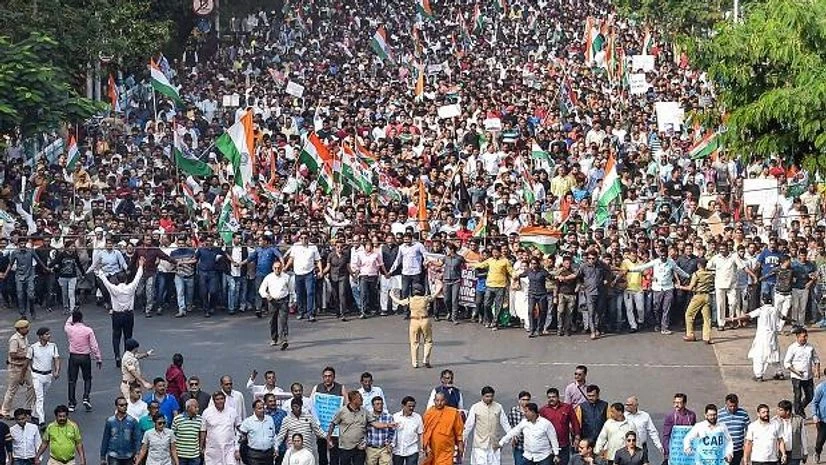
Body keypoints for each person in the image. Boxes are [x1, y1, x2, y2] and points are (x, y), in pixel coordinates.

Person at [97, 256, 145, 365]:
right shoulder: (130, 287)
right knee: (128, 336)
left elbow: (104, 281)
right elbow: (138, 277)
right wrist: (141, 266)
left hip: (117, 315)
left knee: (116, 335)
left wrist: (100, 269)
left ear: (117, 280)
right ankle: (126, 355)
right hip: (128, 314)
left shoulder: (114, 288)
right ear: (126, 279)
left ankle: (117, 356)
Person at [728, 294, 785, 382]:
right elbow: (783, 317)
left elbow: (747, 316)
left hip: (762, 336)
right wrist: (792, 320)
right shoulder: (775, 309)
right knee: (774, 354)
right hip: (773, 336)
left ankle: (759, 375)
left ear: (763, 301)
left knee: (759, 355)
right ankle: (779, 373)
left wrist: (734, 319)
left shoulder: (761, 310)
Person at [390, 283, 439, 368]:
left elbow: (400, 302)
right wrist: (438, 288)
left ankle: (415, 363)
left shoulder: (410, 299)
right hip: (425, 320)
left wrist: (392, 295)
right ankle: (425, 360)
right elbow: (433, 296)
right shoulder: (425, 299)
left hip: (414, 321)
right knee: (428, 341)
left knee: (414, 342)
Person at [64, 311, 102, 413]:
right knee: (87, 378)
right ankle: (86, 397)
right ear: (82, 319)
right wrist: (98, 358)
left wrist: (71, 315)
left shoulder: (69, 329)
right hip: (85, 357)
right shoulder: (88, 330)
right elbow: (94, 345)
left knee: (72, 380)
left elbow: (67, 323)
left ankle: (71, 403)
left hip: (73, 356)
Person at [463, 386, 512, 465]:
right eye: (487, 396)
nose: (489, 398)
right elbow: (469, 425)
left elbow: (505, 423)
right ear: (482, 396)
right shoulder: (475, 407)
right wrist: (462, 439)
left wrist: (511, 435)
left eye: (491, 396)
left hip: (494, 444)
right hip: (480, 444)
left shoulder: (498, 407)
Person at [676, 257, 715, 344]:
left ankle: (690, 334)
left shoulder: (696, 274)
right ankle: (707, 337)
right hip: (707, 296)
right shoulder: (710, 274)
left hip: (698, 296)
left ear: (698, 265)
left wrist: (680, 287)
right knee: (707, 318)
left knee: (689, 314)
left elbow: (690, 287)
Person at [284, 232, 322, 322]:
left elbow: (318, 260)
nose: (304, 240)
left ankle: (310, 314)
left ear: (308, 238)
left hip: (309, 273)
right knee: (300, 293)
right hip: (298, 273)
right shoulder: (295, 246)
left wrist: (320, 271)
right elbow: (291, 258)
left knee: (310, 293)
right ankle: (301, 312)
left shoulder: (313, 247)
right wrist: (285, 267)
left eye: (306, 238)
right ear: (299, 239)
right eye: (302, 238)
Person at [1, 320, 35, 419]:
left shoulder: (24, 338)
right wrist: (27, 355)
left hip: (25, 366)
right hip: (15, 368)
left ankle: (27, 408)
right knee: (12, 389)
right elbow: (13, 354)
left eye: (27, 327)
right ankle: (5, 411)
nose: (27, 329)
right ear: (19, 329)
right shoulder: (14, 340)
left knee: (32, 386)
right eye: (25, 327)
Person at [783, 327, 820, 417]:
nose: (804, 338)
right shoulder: (792, 348)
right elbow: (786, 363)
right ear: (798, 337)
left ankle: (801, 408)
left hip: (808, 376)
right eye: (803, 337)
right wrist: (796, 371)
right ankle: (798, 413)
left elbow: (816, 359)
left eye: (806, 336)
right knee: (798, 395)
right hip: (797, 377)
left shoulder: (810, 347)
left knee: (810, 396)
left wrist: (817, 370)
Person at [27, 327, 60, 425]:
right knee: (40, 397)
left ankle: (34, 413)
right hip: (37, 375)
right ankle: (41, 420)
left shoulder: (53, 346)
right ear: (40, 336)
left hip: (48, 375)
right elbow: (27, 361)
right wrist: (29, 373)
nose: (49, 336)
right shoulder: (33, 347)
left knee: (41, 396)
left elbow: (56, 358)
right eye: (46, 334)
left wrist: (56, 371)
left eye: (49, 334)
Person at [275, 399, 325, 463]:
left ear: (301, 406)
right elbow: (281, 435)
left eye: (298, 407)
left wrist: (328, 438)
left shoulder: (309, 417)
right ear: (291, 407)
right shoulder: (287, 419)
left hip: (307, 451)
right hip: (293, 452)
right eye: (294, 407)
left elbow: (318, 431)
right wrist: (276, 447)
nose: (296, 409)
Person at [540, 388, 580, 465]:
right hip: (548, 446)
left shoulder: (567, 408)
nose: (551, 399)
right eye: (549, 397)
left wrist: (577, 437)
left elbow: (575, 423)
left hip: (563, 444)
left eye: (553, 397)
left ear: (558, 397)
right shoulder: (543, 410)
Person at [422, 392, 464, 465]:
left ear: (445, 401)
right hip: (433, 449)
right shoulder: (429, 413)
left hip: (447, 449)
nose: (439, 403)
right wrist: (427, 446)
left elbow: (458, 430)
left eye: (442, 401)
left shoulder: (453, 412)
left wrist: (460, 444)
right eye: (437, 400)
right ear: (434, 401)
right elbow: (426, 432)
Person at [201, 391, 241, 465]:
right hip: (212, 450)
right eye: (217, 399)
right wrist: (201, 447)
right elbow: (203, 431)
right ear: (213, 400)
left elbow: (239, 429)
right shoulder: (207, 412)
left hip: (229, 449)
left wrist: (237, 448)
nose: (220, 401)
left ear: (225, 399)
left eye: (222, 399)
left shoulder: (232, 411)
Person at [100, 397, 142, 465]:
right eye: (121, 405)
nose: (124, 407)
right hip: (113, 455)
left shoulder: (132, 421)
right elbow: (106, 439)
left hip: (128, 455)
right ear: (117, 406)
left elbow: (137, 439)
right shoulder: (110, 421)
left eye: (126, 405)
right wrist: (102, 457)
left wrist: (137, 453)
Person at [259, 261, 291, 350]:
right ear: (273, 268)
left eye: (279, 268)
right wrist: (266, 296)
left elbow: (291, 289)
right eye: (275, 268)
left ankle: (284, 340)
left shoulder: (286, 277)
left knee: (283, 321)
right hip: (272, 301)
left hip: (283, 300)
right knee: (272, 320)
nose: (277, 270)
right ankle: (274, 338)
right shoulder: (268, 277)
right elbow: (261, 290)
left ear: (281, 268)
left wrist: (292, 301)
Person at [239, 400, 277, 465]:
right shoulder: (248, 421)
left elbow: (274, 435)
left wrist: (276, 448)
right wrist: (237, 450)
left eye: (263, 408)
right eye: (259, 408)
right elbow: (239, 436)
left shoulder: (270, 419)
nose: (262, 410)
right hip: (254, 455)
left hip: (268, 454)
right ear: (254, 409)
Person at [662, 394, 696, 464]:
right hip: (675, 451)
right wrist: (667, 451)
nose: (676, 405)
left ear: (684, 404)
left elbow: (694, 433)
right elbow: (666, 435)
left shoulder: (691, 415)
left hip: (687, 450)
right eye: (674, 402)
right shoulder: (670, 416)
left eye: (679, 403)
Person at [717, 394, 750, 465]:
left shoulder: (743, 414)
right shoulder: (719, 414)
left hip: (738, 450)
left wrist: (747, 443)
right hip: (724, 449)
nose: (733, 408)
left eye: (735, 406)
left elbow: (749, 430)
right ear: (726, 404)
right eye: (730, 406)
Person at [772, 400, 807, 465]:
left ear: (787, 411)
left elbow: (803, 436)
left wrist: (805, 452)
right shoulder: (774, 421)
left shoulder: (798, 420)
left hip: (794, 454)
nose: (778, 412)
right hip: (778, 453)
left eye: (781, 410)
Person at [171, 399, 205, 465]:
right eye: (195, 407)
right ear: (188, 407)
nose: (197, 409)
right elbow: (172, 436)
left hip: (194, 456)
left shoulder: (200, 419)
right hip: (180, 456)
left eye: (198, 407)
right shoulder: (177, 419)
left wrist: (201, 448)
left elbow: (201, 435)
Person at [392, 397, 423, 465]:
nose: (411, 408)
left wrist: (422, 448)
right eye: (409, 406)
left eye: (413, 406)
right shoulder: (395, 417)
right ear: (403, 406)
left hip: (412, 450)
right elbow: (390, 433)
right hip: (397, 450)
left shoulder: (418, 417)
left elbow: (421, 433)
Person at [365, 397, 395, 465]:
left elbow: (392, 432)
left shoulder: (388, 417)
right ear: (373, 405)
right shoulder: (368, 417)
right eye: (377, 404)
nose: (380, 406)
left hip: (384, 448)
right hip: (371, 448)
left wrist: (389, 443)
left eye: (381, 404)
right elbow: (364, 431)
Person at [509, 392, 533, 465]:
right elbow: (510, 425)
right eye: (523, 399)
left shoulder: (532, 411)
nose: (525, 402)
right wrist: (513, 437)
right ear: (519, 400)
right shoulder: (513, 411)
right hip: (518, 445)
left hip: (530, 445)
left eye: (527, 400)